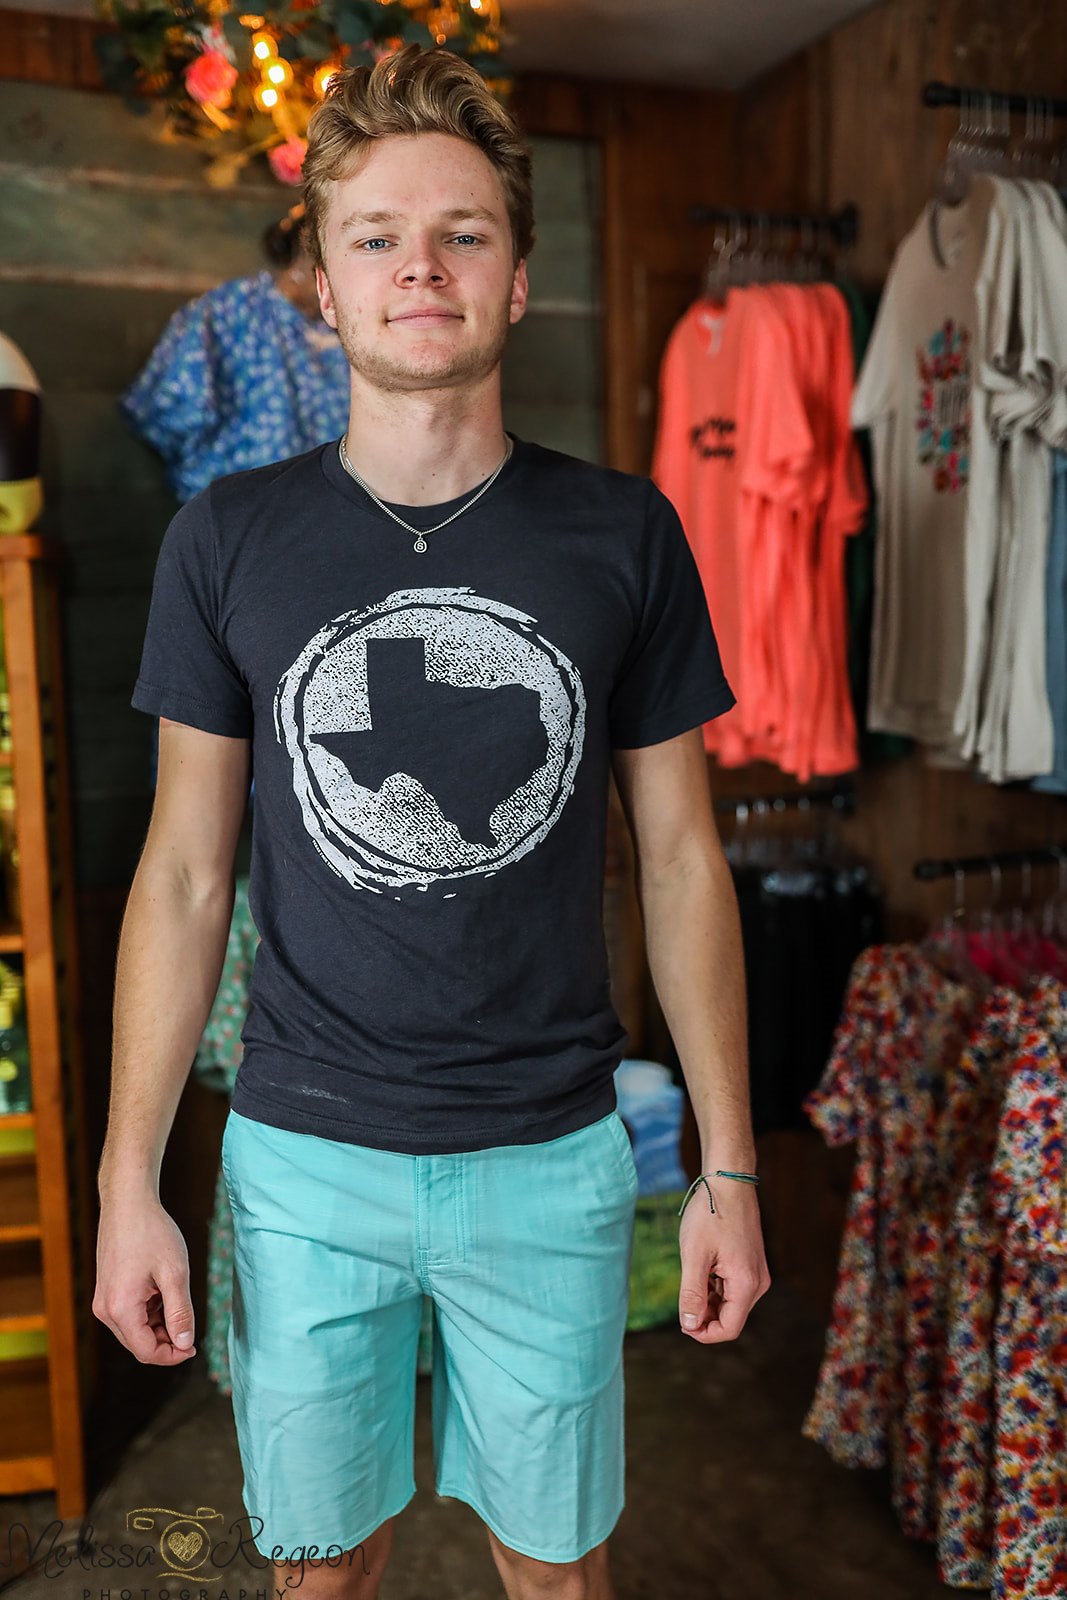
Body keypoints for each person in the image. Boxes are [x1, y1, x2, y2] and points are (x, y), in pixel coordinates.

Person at [94, 43, 770, 1600]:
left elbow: (682, 860)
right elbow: (186, 875)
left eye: (463, 233)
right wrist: (131, 1183)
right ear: (324, 288)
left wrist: (727, 1167)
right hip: (304, 1158)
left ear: (517, 278)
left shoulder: (625, 533)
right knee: (321, 1574)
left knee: (557, 1574)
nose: (421, 268)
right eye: (377, 237)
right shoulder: (227, 539)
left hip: (552, 1149)